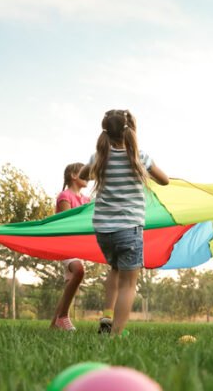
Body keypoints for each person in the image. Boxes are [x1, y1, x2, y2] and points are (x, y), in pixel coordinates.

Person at [80, 109, 169, 335]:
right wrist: (144, 171)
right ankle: (115, 335)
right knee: (128, 284)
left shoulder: (99, 157)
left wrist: (98, 165)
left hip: (103, 230)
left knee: (115, 269)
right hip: (129, 228)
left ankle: (107, 316)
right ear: (131, 131)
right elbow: (165, 180)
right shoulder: (139, 157)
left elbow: (82, 175)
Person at [49, 162, 91, 331]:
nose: (88, 176)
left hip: (78, 247)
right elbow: (68, 223)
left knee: (70, 285)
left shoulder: (87, 200)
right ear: (74, 176)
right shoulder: (64, 196)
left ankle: (54, 325)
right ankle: (63, 316)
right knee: (79, 271)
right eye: (84, 172)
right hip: (65, 244)